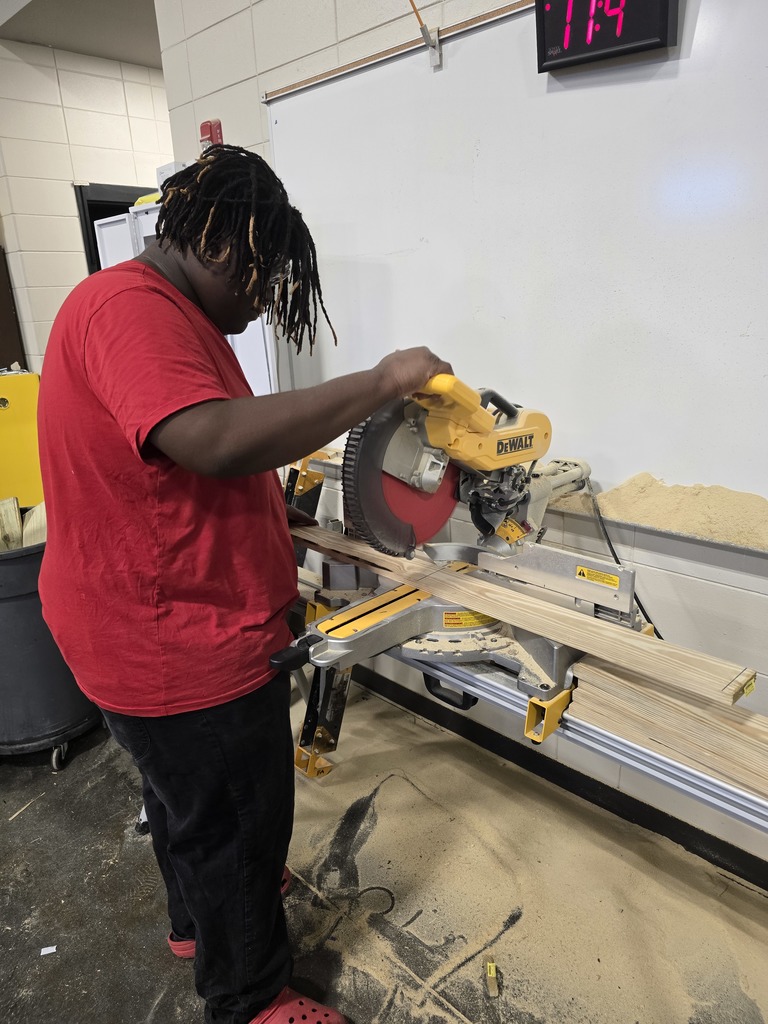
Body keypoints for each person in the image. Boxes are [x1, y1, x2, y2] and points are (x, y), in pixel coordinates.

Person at [37, 143, 452, 1024]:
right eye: (265, 281)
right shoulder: (129, 310)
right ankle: (252, 997)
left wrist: (281, 521)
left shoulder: (164, 316)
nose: (264, 302)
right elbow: (216, 441)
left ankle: (201, 923)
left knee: (191, 807)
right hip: (178, 649)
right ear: (221, 244)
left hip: (144, 627)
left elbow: (180, 475)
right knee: (234, 822)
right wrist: (381, 381)